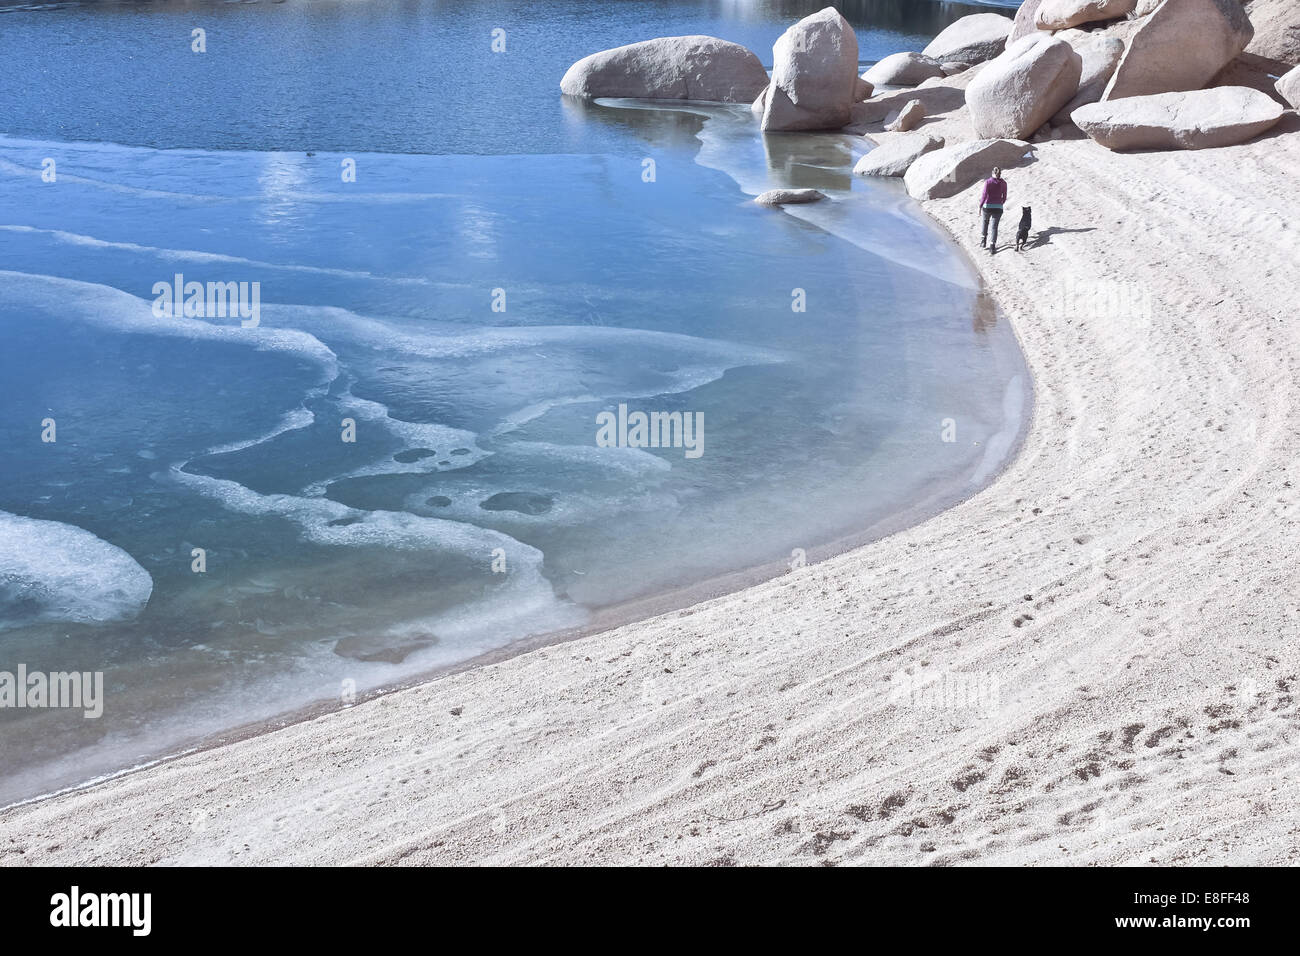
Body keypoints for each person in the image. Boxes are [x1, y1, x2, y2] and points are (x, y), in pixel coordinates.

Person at [978, 167, 1008, 253]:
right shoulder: (1004, 183)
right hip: (998, 208)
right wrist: (1000, 204)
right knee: (994, 227)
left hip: (987, 207)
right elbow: (1004, 197)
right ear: (1000, 174)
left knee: (985, 222)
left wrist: (980, 206)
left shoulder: (988, 182)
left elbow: (984, 195)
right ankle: (992, 246)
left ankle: (983, 241)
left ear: (992, 173)